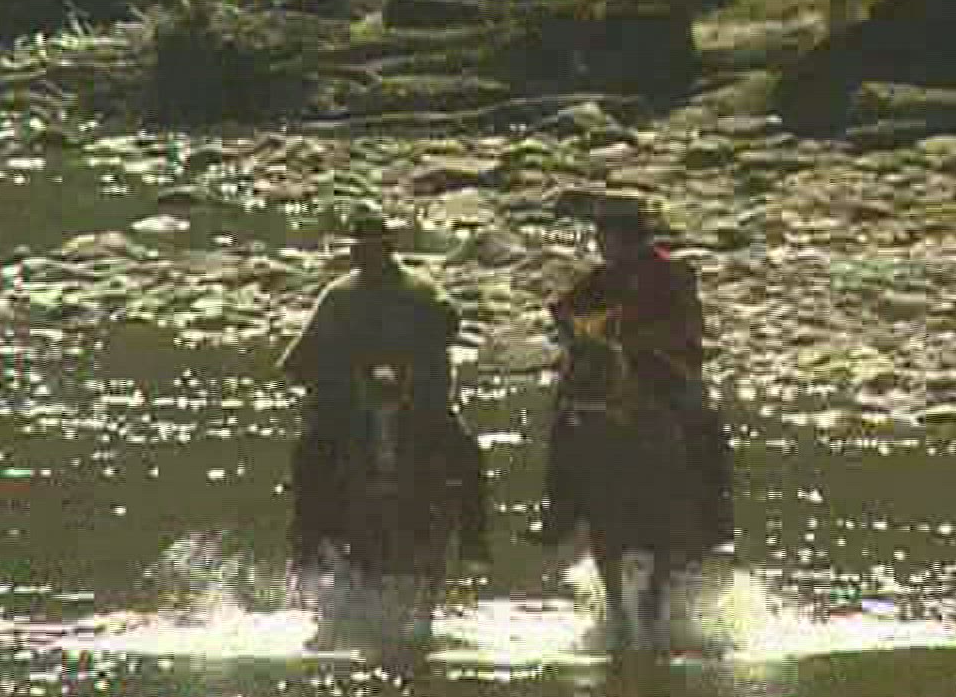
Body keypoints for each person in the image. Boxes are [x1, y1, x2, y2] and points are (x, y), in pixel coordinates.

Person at [278, 210, 489, 570]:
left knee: (468, 455)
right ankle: (305, 542)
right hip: (351, 407)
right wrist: (323, 383)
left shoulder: (421, 291)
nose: (367, 257)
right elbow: (298, 359)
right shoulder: (338, 296)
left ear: (389, 250)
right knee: (308, 455)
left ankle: (474, 542)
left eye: (374, 249)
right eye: (361, 250)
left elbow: (448, 322)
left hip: (418, 404)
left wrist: (420, 362)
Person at [535, 190, 734, 552]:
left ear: (622, 235)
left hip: (666, 366)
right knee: (566, 415)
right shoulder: (603, 277)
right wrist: (576, 332)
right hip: (615, 364)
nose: (598, 243)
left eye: (602, 235)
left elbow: (689, 325)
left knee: (702, 422)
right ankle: (559, 511)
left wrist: (636, 339)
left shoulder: (672, 272)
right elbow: (563, 310)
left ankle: (715, 521)